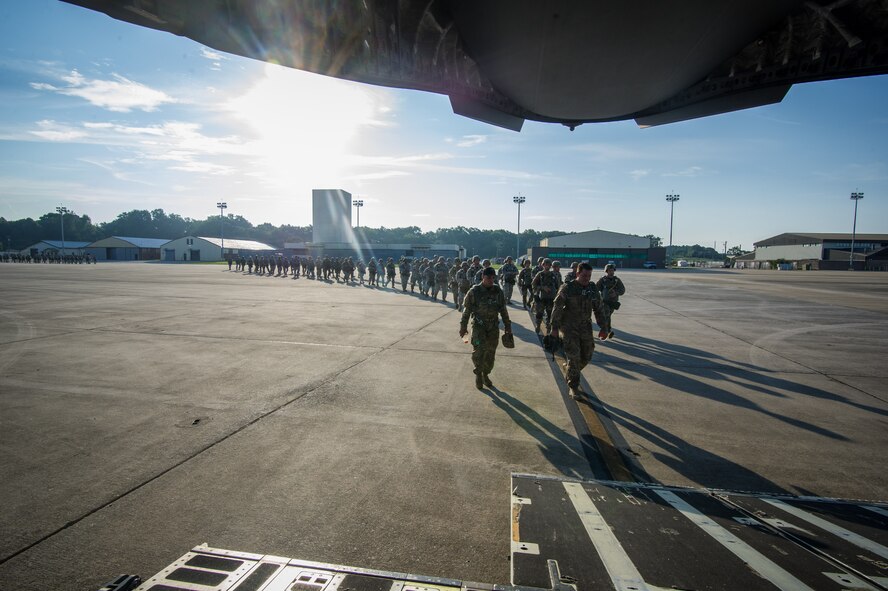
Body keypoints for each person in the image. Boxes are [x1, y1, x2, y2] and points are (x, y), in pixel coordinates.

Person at [551, 262, 607, 399]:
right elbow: (557, 307)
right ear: (577, 274)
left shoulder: (592, 289)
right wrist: (554, 328)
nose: (586, 278)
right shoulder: (567, 288)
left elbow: (599, 309)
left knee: (587, 355)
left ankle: (569, 369)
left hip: (585, 327)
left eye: (589, 275)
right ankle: (573, 386)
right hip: (569, 328)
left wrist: (604, 327)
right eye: (584, 275)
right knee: (574, 357)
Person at [459, 267, 512, 390]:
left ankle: (485, 374)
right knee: (478, 351)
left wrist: (508, 326)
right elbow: (466, 311)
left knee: (490, 354)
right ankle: (478, 374)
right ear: (483, 277)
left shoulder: (498, 291)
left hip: (493, 327)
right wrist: (463, 326)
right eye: (488, 278)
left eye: (493, 278)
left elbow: (503, 310)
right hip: (479, 327)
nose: (491, 280)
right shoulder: (474, 291)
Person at [596, 263, 626, 340]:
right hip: (605, 301)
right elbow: (596, 289)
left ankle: (607, 330)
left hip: (613, 303)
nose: (611, 272)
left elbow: (622, 290)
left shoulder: (617, 280)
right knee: (606, 315)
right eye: (610, 270)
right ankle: (606, 331)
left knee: (608, 316)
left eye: (612, 270)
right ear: (606, 271)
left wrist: (616, 293)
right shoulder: (602, 280)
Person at [531, 259, 559, 334]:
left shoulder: (553, 275)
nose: (547, 266)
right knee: (539, 313)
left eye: (548, 265)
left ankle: (548, 327)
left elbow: (558, 286)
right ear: (543, 265)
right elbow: (533, 284)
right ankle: (538, 325)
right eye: (545, 264)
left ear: (550, 266)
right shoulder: (540, 274)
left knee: (549, 314)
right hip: (541, 298)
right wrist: (542, 288)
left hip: (551, 298)